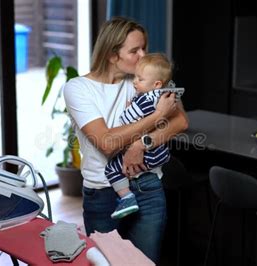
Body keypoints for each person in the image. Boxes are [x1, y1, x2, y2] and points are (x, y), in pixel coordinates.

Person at [63, 17, 188, 263]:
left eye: (144, 48)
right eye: (134, 50)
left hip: (148, 186)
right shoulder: (78, 88)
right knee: (106, 262)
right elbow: (107, 142)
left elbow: (181, 122)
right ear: (112, 55)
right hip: (103, 193)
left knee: (144, 262)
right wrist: (159, 115)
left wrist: (141, 144)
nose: (143, 56)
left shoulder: (146, 79)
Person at [104, 53, 175, 220]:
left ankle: (127, 199)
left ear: (157, 84)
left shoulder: (145, 101)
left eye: (140, 79)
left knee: (111, 169)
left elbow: (125, 119)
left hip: (149, 155)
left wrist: (128, 107)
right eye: (135, 77)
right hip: (159, 152)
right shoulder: (164, 97)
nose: (135, 81)